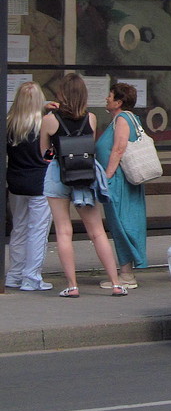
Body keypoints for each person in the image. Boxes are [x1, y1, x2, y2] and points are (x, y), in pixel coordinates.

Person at [40, 72, 126, 298]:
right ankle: (116, 283)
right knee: (97, 231)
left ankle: (72, 285)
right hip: (85, 174)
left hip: (59, 173)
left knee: (64, 231)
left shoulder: (49, 120)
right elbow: (91, 145)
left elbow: (44, 152)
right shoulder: (91, 118)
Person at [96, 82, 147, 290]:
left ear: (119, 102)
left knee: (121, 222)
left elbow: (119, 149)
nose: (106, 99)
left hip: (118, 180)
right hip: (120, 179)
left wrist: (107, 177)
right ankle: (126, 271)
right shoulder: (122, 118)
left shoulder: (123, 119)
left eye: (110, 96)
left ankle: (126, 274)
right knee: (123, 221)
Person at [5, 81, 55, 292]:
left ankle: (14, 275)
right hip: (40, 184)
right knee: (38, 231)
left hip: (15, 183)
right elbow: (49, 154)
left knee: (19, 228)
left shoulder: (9, 123)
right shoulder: (45, 123)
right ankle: (31, 277)